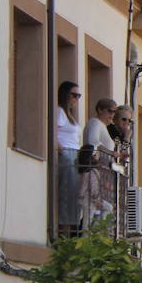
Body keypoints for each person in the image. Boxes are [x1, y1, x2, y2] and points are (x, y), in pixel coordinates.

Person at [79, 98, 119, 228]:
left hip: (101, 172)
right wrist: (111, 153)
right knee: (92, 208)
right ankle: (91, 237)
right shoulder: (95, 123)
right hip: (93, 169)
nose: (112, 115)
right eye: (110, 111)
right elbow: (93, 142)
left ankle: (94, 235)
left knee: (102, 209)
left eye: (114, 112)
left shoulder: (103, 126)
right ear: (100, 110)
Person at [55, 81, 82, 233]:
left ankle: (71, 228)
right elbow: (54, 132)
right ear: (65, 95)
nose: (76, 99)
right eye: (74, 95)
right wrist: (63, 152)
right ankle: (64, 231)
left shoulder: (70, 115)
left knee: (74, 195)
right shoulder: (60, 112)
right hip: (67, 155)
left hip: (74, 155)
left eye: (79, 96)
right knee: (67, 194)